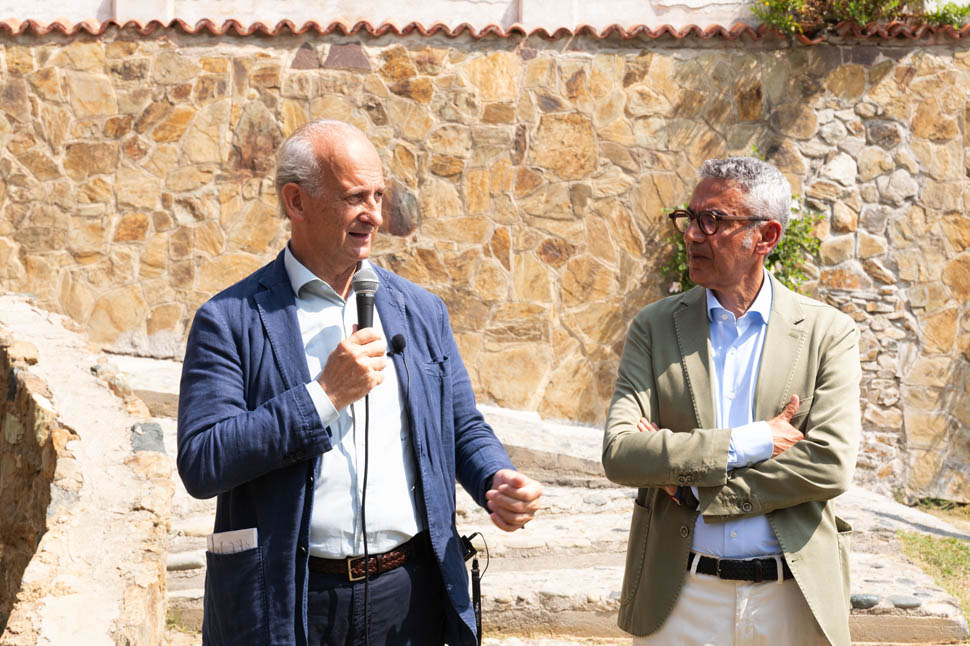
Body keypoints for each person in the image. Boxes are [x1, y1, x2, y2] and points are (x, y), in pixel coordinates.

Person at [177, 119, 542, 646]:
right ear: (296, 202)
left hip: (409, 598)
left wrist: (497, 479)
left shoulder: (421, 310)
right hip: (291, 600)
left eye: (378, 195)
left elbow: (460, 426)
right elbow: (202, 461)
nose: (374, 215)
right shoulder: (230, 319)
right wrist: (324, 396)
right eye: (354, 197)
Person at [602, 157, 861, 646]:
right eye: (689, 217)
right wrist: (755, 440)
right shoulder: (655, 328)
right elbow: (620, 453)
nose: (691, 234)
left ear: (766, 236)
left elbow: (829, 464)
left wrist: (692, 486)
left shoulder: (828, 333)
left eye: (713, 220)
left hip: (793, 600)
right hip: (678, 600)